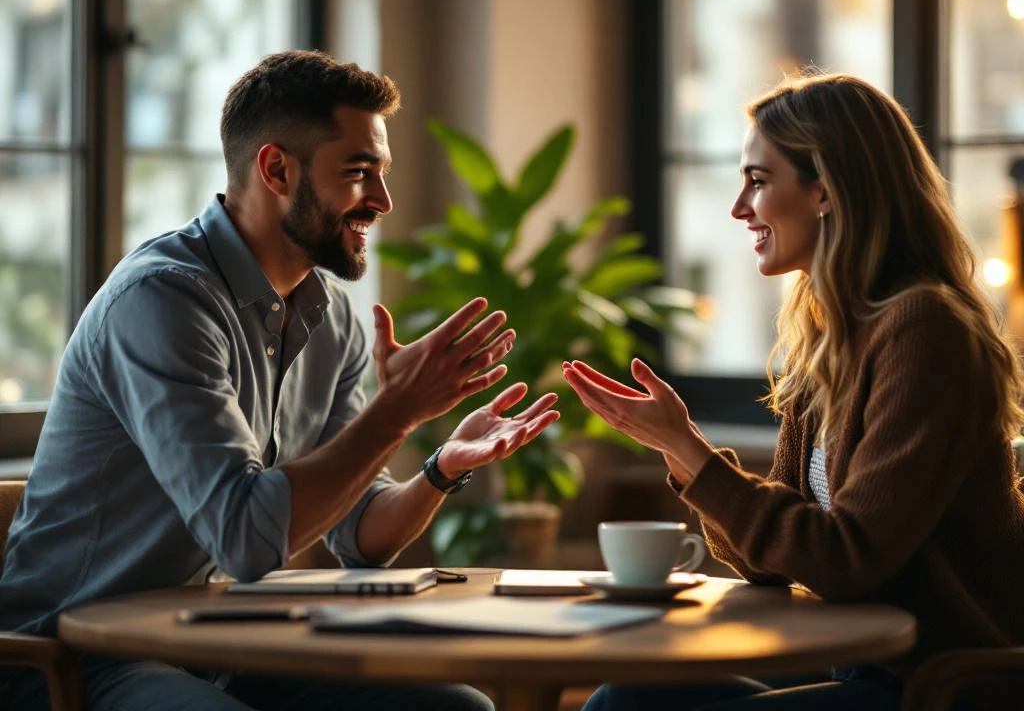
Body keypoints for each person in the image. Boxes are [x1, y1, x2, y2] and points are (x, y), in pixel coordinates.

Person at [0, 50, 560, 711]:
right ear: (276, 168)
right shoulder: (163, 302)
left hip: (213, 643)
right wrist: (398, 411)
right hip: (74, 658)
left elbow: (357, 535)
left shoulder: (333, 320)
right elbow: (244, 538)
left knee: (456, 707)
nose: (381, 201)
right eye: (359, 172)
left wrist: (438, 467)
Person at [564, 73, 1024, 710]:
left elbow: (846, 559)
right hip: (861, 666)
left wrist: (693, 455)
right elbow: (772, 562)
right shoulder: (831, 335)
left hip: (937, 684)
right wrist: (679, 447)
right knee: (631, 698)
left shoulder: (924, 328)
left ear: (826, 190)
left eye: (758, 179)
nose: (739, 207)